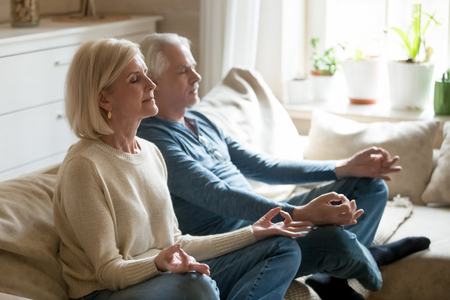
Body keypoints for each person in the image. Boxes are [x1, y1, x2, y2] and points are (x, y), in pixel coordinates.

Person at [137, 33, 431, 300]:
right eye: (183, 70)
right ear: (153, 80)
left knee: (368, 185)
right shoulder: (154, 139)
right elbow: (217, 193)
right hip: (239, 241)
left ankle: (336, 276)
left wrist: (344, 167)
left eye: (193, 66)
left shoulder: (200, 120)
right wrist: (300, 214)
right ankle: (367, 261)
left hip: (267, 217)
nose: (197, 76)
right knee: (335, 239)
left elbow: (264, 166)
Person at [53, 37, 325, 300]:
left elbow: (177, 241)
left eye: (147, 74)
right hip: (106, 291)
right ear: (104, 99)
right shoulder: (84, 167)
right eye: (135, 79)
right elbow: (107, 272)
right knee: (194, 287)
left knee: (282, 246)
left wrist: (253, 232)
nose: (151, 84)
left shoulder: (151, 153)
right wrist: (159, 264)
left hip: (163, 276)